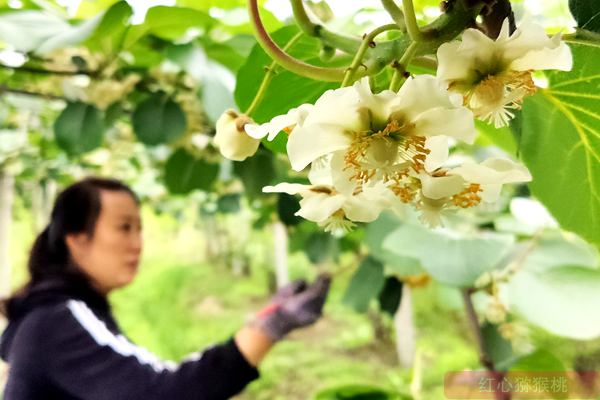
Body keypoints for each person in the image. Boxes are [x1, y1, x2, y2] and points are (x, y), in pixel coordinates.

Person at [0, 177, 331, 399]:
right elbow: (164, 391)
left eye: (140, 229)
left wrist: (269, 317)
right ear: (77, 239)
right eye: (124, 228)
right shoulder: (57, 321)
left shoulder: (59, 313)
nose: (138, 244)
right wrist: (270, 328)